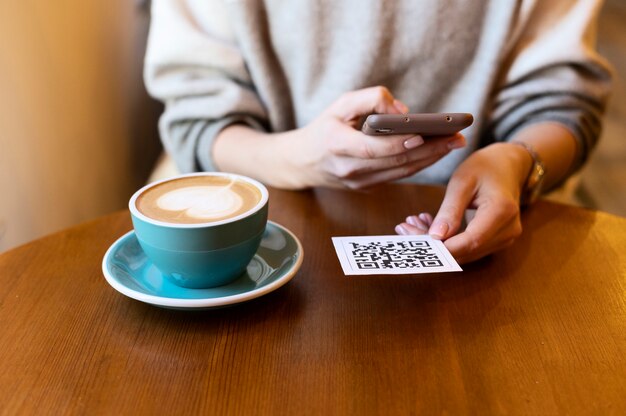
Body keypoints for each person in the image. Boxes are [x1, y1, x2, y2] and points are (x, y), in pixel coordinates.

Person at [144, 0, 612, 264]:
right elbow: (200, 118)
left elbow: (564, 100)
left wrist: (516, 161)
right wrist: (300, 156)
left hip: (497, 223)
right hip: (261, 213)